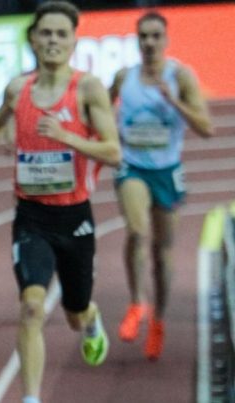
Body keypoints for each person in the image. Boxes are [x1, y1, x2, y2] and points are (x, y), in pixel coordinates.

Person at [0, 2, 121, 402]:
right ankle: (31, 397)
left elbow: (113, 152)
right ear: (34, 39)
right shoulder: (18, 89)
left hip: (75, 218)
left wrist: (66, 136)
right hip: (32, 217)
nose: (53, 40)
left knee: (75, 314)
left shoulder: (87, 89)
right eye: (46, 33)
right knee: (32, 308)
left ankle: (90, 317)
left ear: (73, 42)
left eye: (61, 34)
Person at [110, 11, 213, 361]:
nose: (150, 42)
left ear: (166, 40)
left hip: (167, 171)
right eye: (144, 36)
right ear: (137, 40)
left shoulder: (180, 77)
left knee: (162, 253)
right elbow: (99, 109)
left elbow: (206, 128)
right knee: (137, 231)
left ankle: (159, 320)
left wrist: (174, 100)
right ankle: (137, 303)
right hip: (132, 166)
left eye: (156, 36)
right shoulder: (124, 78)